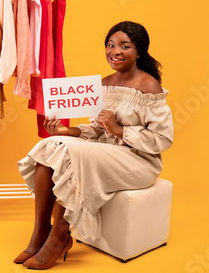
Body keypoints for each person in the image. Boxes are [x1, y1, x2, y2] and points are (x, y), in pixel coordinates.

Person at [15, 21, 174, 269]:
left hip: (139, 161)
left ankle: (60, 236)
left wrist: (120, 130)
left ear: (139, 51)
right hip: (106, 153)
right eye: (111, 45)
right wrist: (68, 130)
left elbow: (162, 140)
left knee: (68, 154)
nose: (115, 51)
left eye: (125, 46)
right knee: (52, 145)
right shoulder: (104, 84)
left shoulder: (148, 86)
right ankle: (40, 233)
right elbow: (99, 131)